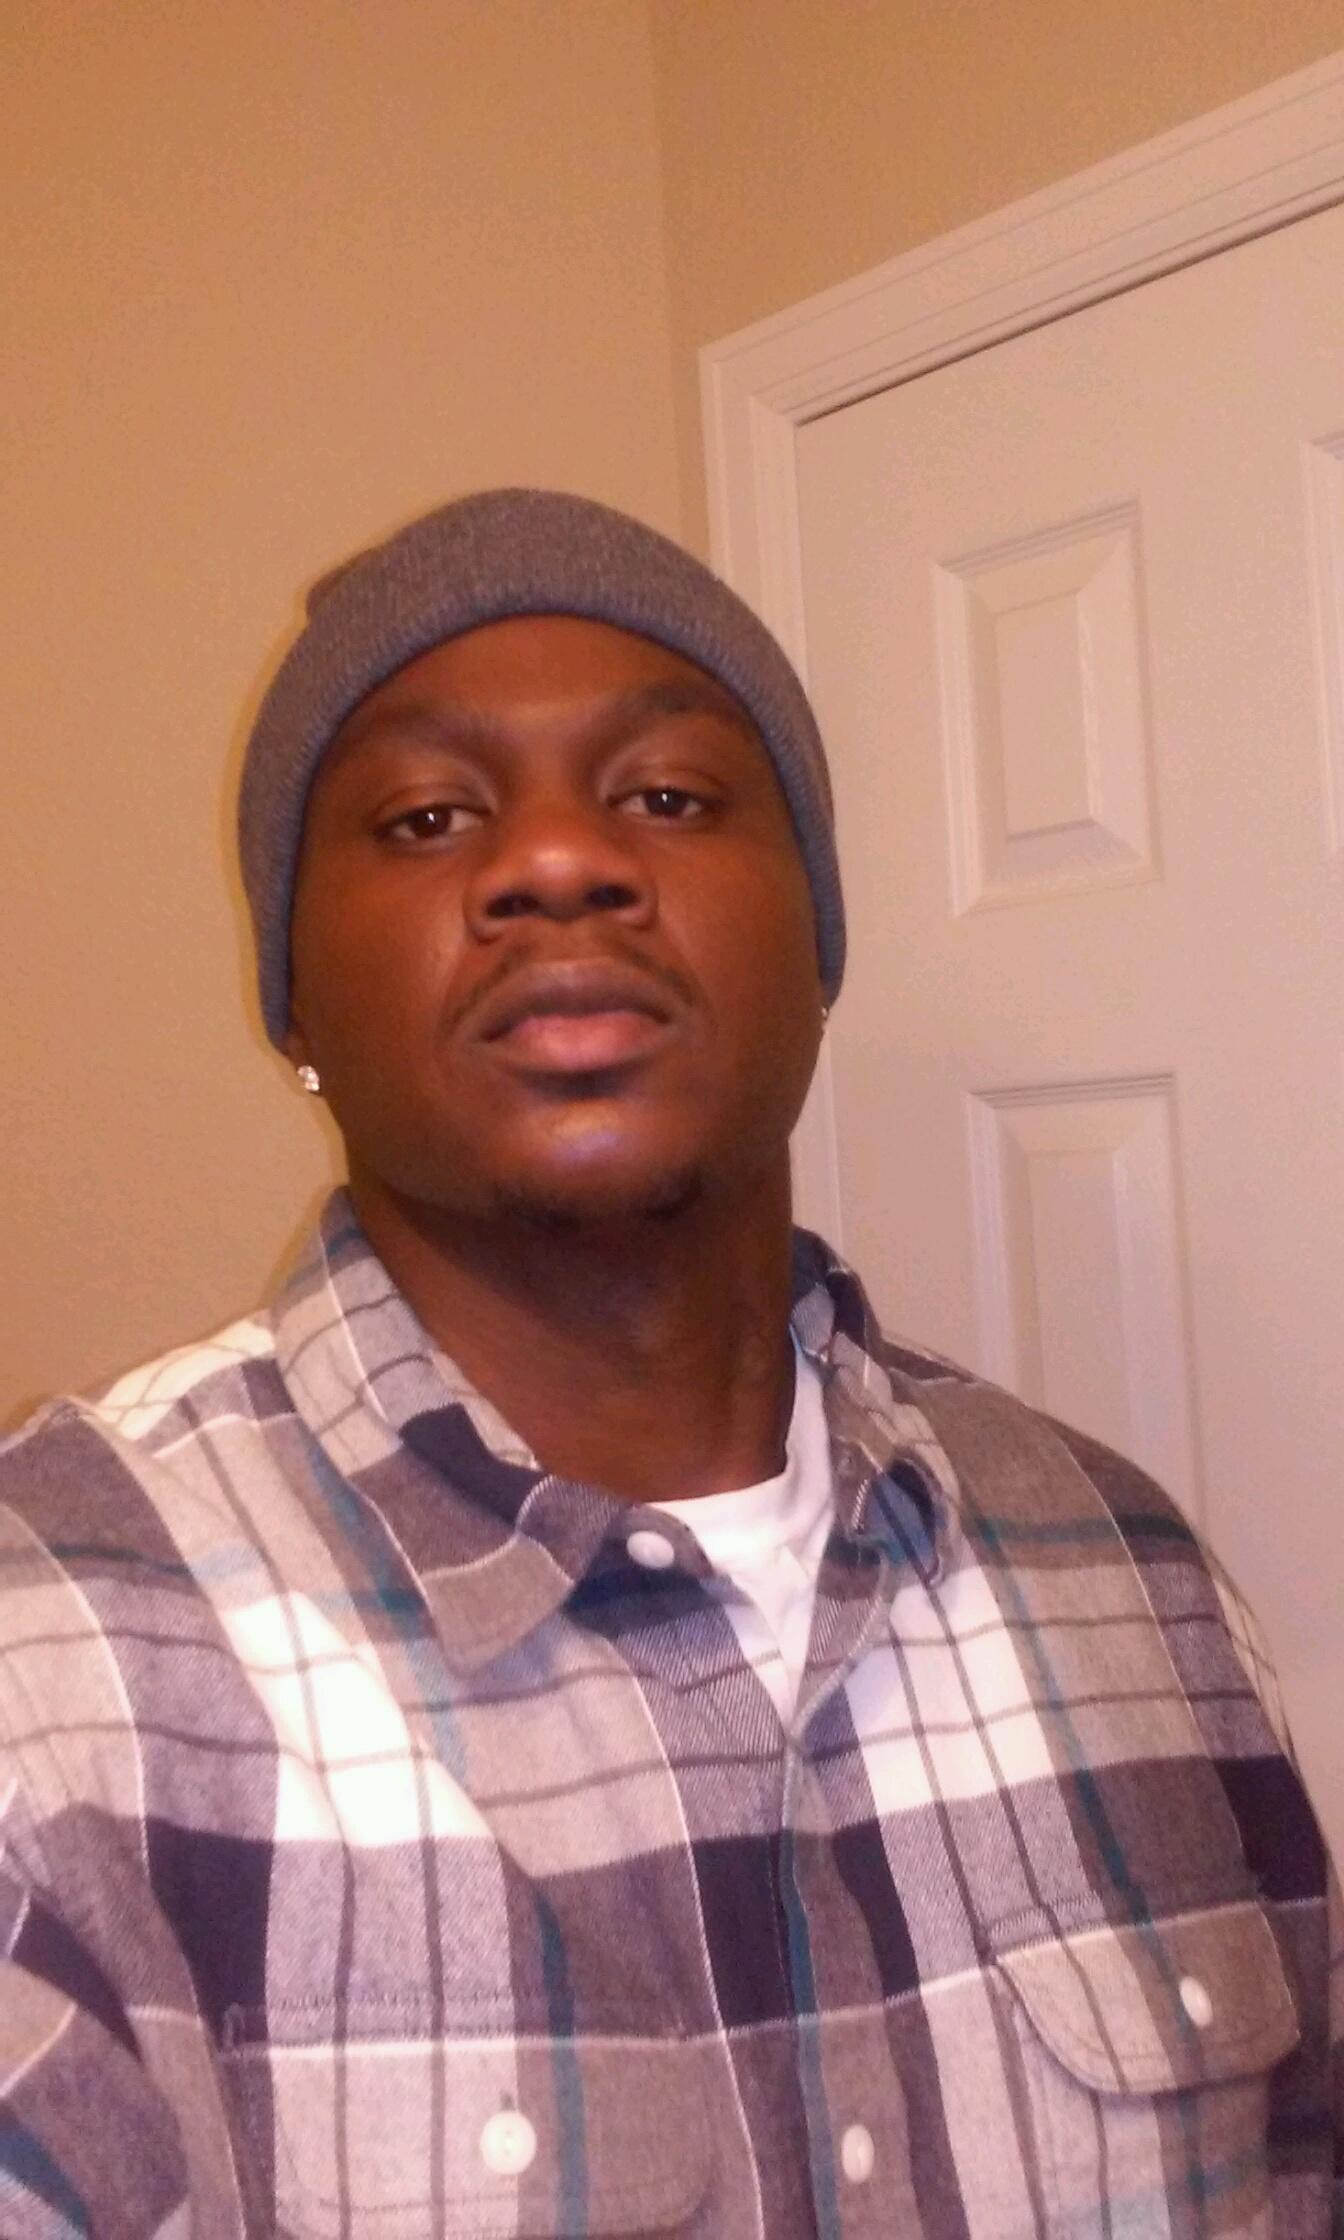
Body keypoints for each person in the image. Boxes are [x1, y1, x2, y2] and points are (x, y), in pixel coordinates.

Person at [0, 488, 1337, 2238]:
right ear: (294, 1004)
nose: (559, 863)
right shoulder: (56, 1660)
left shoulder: (1129, 1568)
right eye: (425, 816)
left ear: (818, 947)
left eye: (671, 797)